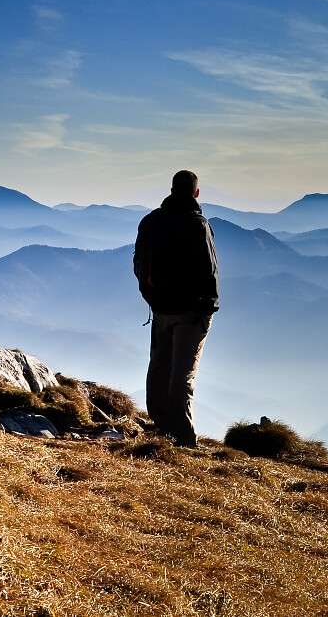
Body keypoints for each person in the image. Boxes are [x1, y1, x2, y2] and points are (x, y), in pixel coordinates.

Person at [133, 170, 219, 448]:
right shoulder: (198, 224)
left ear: (171, 190)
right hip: (191, 313)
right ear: (196, 193)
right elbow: (209, 270)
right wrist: (209, 307)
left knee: (159, 367)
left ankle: (162, 424)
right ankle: (183, 438)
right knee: (183, 374)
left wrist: (152, 297)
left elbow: (138, 263)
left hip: (160, 309)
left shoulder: (151, 221)